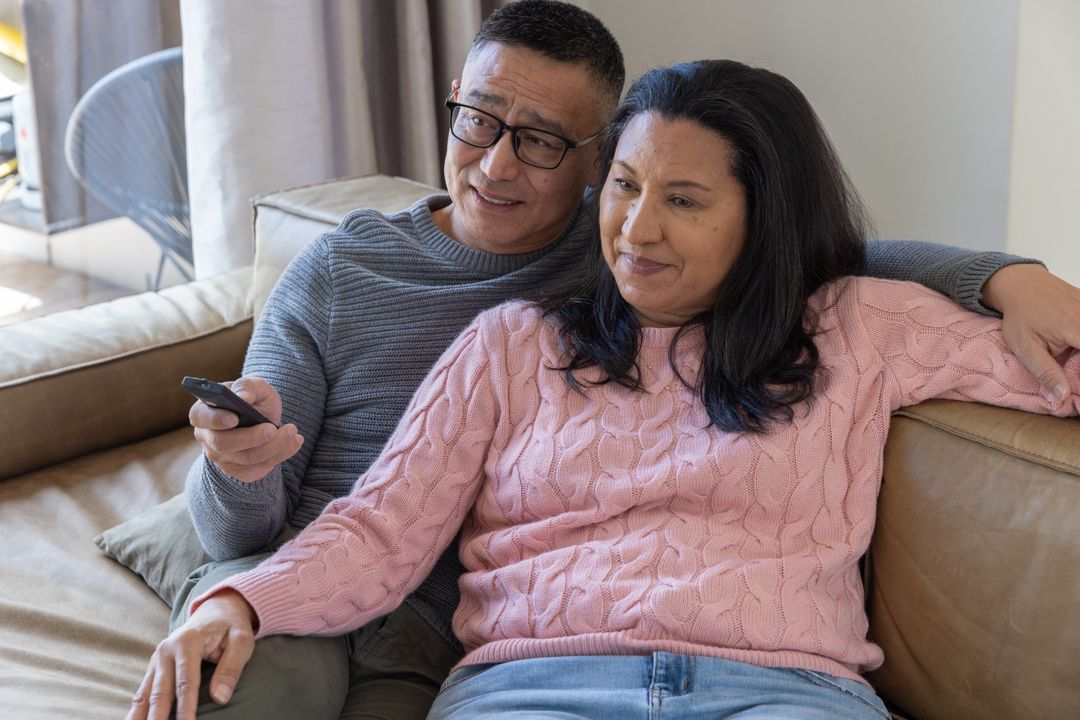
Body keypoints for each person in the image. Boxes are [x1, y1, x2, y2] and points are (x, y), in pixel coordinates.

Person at [131, 2, 1080, 719]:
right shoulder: (510, 341)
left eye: (685, 200)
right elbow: (380, 529)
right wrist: (239, 601)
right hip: (535, 685)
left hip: (785, 692)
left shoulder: (858, 325)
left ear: (763, 221)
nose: (637, 228)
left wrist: (1011, 278)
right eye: (626, 187)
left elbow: (1048, 367)